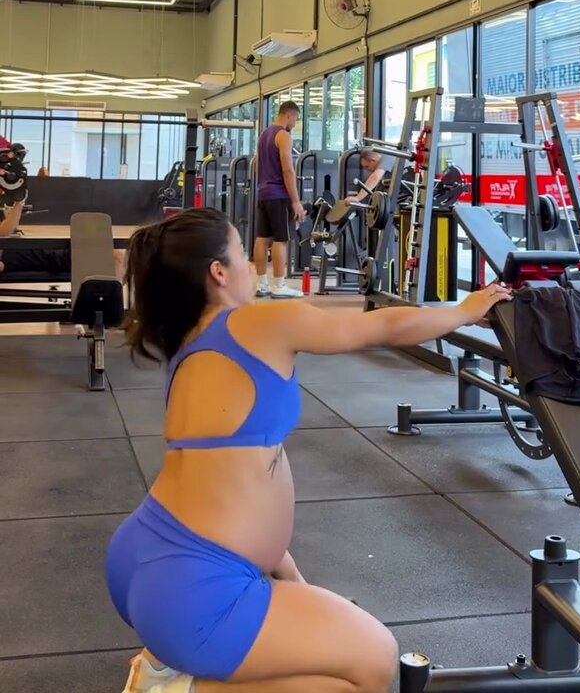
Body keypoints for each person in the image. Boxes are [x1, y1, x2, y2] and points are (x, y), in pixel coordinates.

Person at [105, 207, 512, 693]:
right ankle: (177, 689)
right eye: (242, 254)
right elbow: (383, 327)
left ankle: (165, 666)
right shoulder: (258, 324)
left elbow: (233, 487)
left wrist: (294, 583)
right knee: (375, 665)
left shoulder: (188, 345)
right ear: (218, 272)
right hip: (193, 587)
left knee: (328, 649)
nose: (252, 266)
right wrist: (464, 311)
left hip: (149, 555)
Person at [253, 100, 306, 299]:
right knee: (281, 240)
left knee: (262, 238)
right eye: (295, 119)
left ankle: (261, 285)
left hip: (264, 194)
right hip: (279, 195)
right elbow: (288, 170)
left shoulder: (264, 135)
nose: (295, 123)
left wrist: (262, 187)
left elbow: (257, 165)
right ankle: (279, 285)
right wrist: (296, 201)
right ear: (289, 115)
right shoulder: (283, 135)